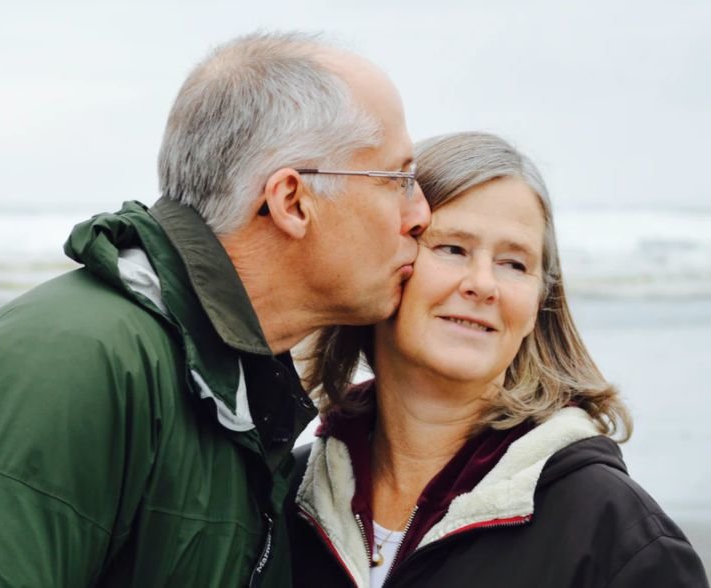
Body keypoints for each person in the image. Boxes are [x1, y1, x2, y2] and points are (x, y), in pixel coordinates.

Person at [0, 32, 430, 587]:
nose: (420, 214)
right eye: (398, 178)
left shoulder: (231, 385)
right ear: (291, 200)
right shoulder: (68, 361)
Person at [288, 131, 709, 588]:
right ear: (386, 263)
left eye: (514, 263)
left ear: (537, 305)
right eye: (452, 249)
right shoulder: (285, 497)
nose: (483, 284)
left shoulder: (619, 538)